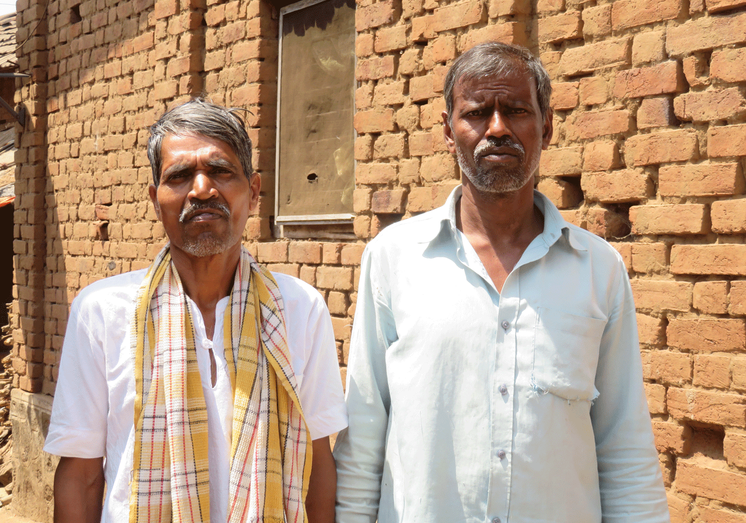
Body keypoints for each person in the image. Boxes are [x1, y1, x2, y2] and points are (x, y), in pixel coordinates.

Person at [334, 42, 670, 522]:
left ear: (546, 126)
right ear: (449, 131)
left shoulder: (598, 269)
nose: (498, 128)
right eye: (477, 113)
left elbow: (624, 444)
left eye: (516, 110)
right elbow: (364, 438)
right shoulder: (393, 258)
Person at [45, 99, 347, 523]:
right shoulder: (102, 312)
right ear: (155, 198)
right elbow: (81, 475)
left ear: (255, 192)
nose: (202, 189)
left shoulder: (298, 309)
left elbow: (315, 464)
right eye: (180, 175)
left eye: (221, 171)